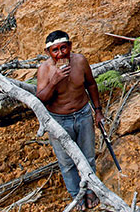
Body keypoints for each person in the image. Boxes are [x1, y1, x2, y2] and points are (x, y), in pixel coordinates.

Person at [36, 31, 105, 209]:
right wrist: (54, 81)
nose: (60, 54)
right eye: (55, 50)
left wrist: (98, 111)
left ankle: (91, 190)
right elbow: (41, 99)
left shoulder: (80, 61)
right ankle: (77, 195)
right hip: (58, 120)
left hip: (83, 114)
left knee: (88, 156)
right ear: (48, 52)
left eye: (63, 48)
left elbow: (91, 84)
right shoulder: (45, 69)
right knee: (66, 162)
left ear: (70, 46)